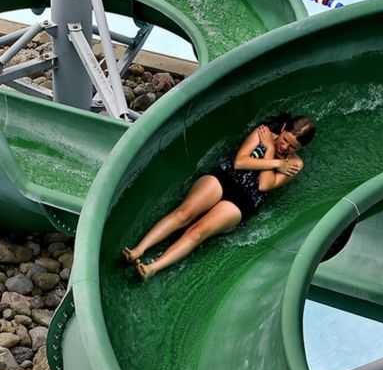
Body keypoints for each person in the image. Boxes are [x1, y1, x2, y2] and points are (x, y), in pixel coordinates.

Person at [122, 113, 316, 281]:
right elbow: (240, 162)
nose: (284, 147)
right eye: (284, 140)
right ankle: (139, 250)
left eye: (292, 147)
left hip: (245, 199)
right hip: (226, 176)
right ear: (283, 129)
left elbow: (264, 185)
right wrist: (275, 161)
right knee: (185, 213)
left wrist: (270, 151)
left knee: (197, 232)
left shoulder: (295, 164)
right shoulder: (262, 133)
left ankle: (152, 268)